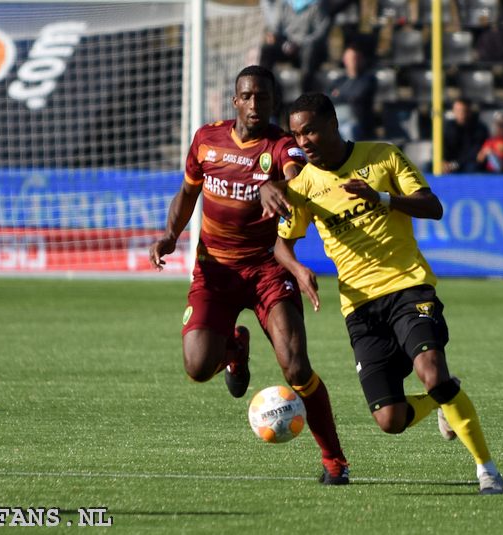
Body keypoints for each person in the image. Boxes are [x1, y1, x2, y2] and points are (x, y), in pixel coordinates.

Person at [260, 93, 503, 495]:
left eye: (309, 131)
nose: (302, 141)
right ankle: (442, 398)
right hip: (360, 308)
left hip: (408, 285)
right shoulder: (301, 187)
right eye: (295, 134)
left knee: (431, 371)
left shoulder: (383, 157)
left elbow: (432, 206)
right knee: (390, 420)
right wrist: (298, 268)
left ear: (333, 125)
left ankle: (487, 470)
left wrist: (383, 199)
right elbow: (281, 244)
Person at [149, 67, 349, 485]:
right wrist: (170, 235)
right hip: (214, 270)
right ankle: (234, 348)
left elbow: (297, 183)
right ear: (235, 100)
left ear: (273, 101)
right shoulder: (207, 140)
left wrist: (276, 189)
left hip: (267, 270)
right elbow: (188, 193)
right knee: (198, 367)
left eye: (263, 97)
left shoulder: (282, 147)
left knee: (296, 369)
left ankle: (334, 461)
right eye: (247, 96)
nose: (255, 104)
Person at [259, 0, 333, 93]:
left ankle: (305, 93)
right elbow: (277, 30)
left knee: (309, 51)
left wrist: (300, 44)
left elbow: (320, 33)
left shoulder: (316, 5)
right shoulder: (285, 5)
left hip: (307, 49)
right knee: (267, 49)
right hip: (288, 46)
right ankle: (264, 87)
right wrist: (284, 43)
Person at [328, 39, 378, 141]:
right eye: (350, 58)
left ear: (362, 59)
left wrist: (339, 94)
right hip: (337, 120)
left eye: (355, 58)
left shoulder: (368, 79)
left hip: (357, 122)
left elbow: (357, 96)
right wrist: (344, 96)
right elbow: (327, 99)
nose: (353, 61)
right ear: (344, 60)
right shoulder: (339, 81)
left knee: (348, 130)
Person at [442, 98, 489, 173]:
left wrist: (454, 165)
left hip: (468, 163)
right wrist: (443, 161)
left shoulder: (479, 128)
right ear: (453, 111)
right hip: (449, 163)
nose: (461, 113)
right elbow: (440, 147)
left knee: (473, 168)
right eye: (457, 110)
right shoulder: (447, 127)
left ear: (469, 112)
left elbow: (474, 153)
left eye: (463, 110)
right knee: (427, 166)